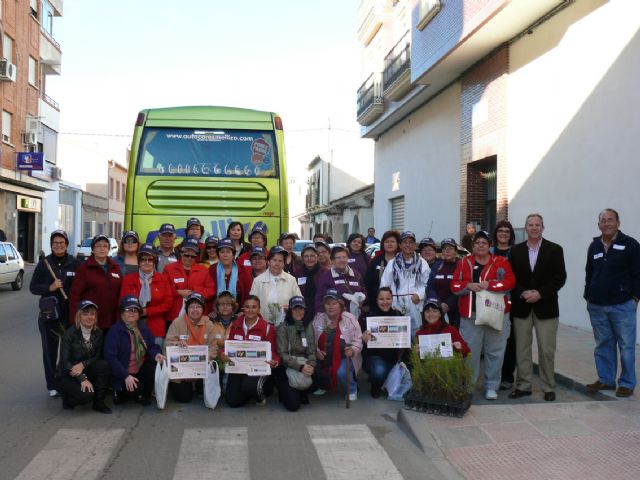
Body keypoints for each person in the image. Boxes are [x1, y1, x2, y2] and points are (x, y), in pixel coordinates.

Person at [508, 214, 566, 402]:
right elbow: (511, 278)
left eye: (537, 225)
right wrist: (523, 293)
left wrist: (540, 293)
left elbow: (559, 278)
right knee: (522, 349)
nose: (534, 228)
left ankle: (548, 386)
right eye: (530, 225)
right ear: (525, 228)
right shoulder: (515, 251)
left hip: (546, 307)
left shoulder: (555, 249)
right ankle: (523, 385)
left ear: (543, 227)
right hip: (522, 306)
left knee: (547, 350)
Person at [451, 230, 515, 400]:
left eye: (484, 242)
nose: (480, 245)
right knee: (470, 353)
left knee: (495, 352)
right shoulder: (464, 262)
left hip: (495, 314)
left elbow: (510, 282)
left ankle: (491, 386)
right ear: (473, 246)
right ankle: (468, 386)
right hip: (471, 315)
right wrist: (468, 286)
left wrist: (490, 284)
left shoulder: (501, 262)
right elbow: (455, 285)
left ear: (490, 246)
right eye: (477, 242)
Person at [584, 208, 640, 398]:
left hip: (622, 305)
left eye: (610, 220)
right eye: (603, 220)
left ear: (618, 223)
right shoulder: (594, 246)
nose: (606, 224)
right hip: (597, 305)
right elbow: (589, 273)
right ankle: (606, 379)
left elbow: (638, 275)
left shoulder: (630, 244)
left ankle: (626, 383)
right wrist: (588, 295)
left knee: (626, 346)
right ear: (598, 224)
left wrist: (634, 299)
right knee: (603, 344)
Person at [30, 229, 81, 397]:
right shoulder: (44, 264)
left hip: (68, 314)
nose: (58, 245)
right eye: (55, 243)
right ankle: (52, 384)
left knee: (69, 350)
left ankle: (66, 379)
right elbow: (33, 287)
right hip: (49, 315)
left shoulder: (75, 263)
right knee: (50, 351)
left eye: (61, 242)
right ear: (51, 245)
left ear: (67, 244)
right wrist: (49, 288)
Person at [104, 296, 164, 406]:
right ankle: (119, 391)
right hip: (122, 372)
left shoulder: (143, 328)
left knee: (152, 367)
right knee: (136, 389)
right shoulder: (115, 331)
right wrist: (125, 375)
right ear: (122, 313)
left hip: (138, 368)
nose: (132, 313)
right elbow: (110, 358)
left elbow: (152, 346)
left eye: (135, 310)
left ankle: (140, 394)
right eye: (128, 310)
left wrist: (156, 354)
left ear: (139, 313)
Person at [56, 300, 112, 413]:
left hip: (84, 368)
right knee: (86, 396)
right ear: (79, 316)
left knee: (104, 365)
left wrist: (83, 364)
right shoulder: (69, 334)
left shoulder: (98, 333)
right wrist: (82, 378)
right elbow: (64, 361)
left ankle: (99, 402)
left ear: (95, 317)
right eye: (85, 314)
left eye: (92, 314)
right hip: (67, 373)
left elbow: (97, 356)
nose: (89, 317)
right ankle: (68, 399)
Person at [223, 296, 279, 407]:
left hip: (258, 369)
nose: (250, 310)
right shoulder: (235, 325)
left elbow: (273, 351)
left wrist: (275, 361)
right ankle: (248, 392)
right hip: (239, 368)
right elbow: (229, 347)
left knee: (249, 386)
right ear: (243, 308)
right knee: (233, 402)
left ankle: (259, 394)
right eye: (247, 307)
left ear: (259, 309)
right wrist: (223, 354)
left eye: (254, 307)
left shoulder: (268, 328)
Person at [275, 296, 327, 411]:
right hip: (288, 366)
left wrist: (310, 365)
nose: (298, 312)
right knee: (293, 406)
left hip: (305, 363)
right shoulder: (283, 327)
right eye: (295, 309)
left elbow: (312, 350)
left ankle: (303, 389)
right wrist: (300, 367)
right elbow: (282, 355)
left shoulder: (308, 325)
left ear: (305, 310)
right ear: (290, 310)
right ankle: (286, 389)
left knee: (324, 378)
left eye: (301, 308)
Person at [164, 292, 218, 403]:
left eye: (198, 306)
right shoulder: (177, 322)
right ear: (187, 308)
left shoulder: (209, 325)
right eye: (191, 306)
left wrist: (199, 367)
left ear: (203, 309)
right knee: (184, 398)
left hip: (201, 368)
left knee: (203, 392)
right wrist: (177, 344)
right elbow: (168, 344)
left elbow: (213, 348)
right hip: (181, 369)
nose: (195, 310)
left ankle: (198, 386)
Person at [119, 243, 173, 348]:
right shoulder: (128, 279)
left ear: (154, 262)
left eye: (150, 259)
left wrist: (147, 311)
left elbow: (168, 304)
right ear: (139, 262)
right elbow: (122, 303)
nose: (146, 262)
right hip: (131, 327)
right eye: (143, 259)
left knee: (155, 360)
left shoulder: (163, 279)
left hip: (155, 327)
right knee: (132, 361)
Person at [312, 289, 363, 400]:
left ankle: (352, 389)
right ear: (324, 306)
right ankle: (324, 385)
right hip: (324, 358)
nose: (331, 307)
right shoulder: (318, 319)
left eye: (334, 303)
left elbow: (358, 340)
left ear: (340, 305)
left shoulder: (349, 318)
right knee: (312, 366)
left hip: (345, 357)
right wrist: (317, 351)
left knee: (341, 371)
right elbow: (313, 340)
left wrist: (353, 350)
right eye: (328, 304)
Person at [69, 234, 123, 336]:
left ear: (108, 249)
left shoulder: (115, 267)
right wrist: (75, 321)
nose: (102, 249)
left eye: (105, 246)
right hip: (91, 322)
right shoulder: (84, 269)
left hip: (113, 322)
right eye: (98, 246)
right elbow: (75, 296)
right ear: (93, 250)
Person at [380, 231, 430, 335]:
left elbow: (427, 284)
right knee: (398, 337)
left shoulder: (422, 263)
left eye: (411, 242)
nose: (408, 245)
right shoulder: (393, 263)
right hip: (396, 306)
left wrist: (420, 295)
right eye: (405, 242)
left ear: (414, 245)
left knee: (416, 336)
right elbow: (384, 285)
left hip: (415, 305)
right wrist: (387, 302)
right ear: (400, 245)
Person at [361, 287, 408, 397]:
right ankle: (376, 384)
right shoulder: (370, 318)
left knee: (390, 370)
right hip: (374, 357)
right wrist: (364, 339)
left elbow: (404, 340)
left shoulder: (399, 316)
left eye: (388, 299)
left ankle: (384, 379)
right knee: (379, 371)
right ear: (377, 300)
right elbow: (362, 343)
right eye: (381, 299)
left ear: (392, 300)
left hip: (394, 358)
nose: (385, 302)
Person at [491, 221, 517, 390]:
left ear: (511, 234)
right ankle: (493, 375)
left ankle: (507, 376)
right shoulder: (489, 252)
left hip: (512, 301)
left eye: (507, 231)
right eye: (500, 230)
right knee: (493, 340)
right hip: (492, 301)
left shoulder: (516, 252)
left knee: (510, 340)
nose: (503, 233)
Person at [165, 238, 215, 319]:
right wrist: (178, 292)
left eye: (192, 256)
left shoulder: (204, 270)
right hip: (174, 316)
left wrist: (194, 292)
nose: (189, 258)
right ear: (181, 253)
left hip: (198, 316)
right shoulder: (169, 269)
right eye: (186, 255)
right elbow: (163, 290)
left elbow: (211, 291)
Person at [250, 246, 302, 324]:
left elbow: (299, 303)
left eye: (280, 261)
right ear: (268, 262)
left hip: (285, 325)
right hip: (263, 324)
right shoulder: (258, 281)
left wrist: (290, 308)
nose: (277, 263)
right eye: (274, 260)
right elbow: (252, 303)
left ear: (284, 263)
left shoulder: (291, 280)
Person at [315, 245, 366, 314]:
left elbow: (363, 290)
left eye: (344, 257)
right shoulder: (326, 277)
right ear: (332, 260)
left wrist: (362, 301)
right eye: (338, 258)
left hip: (356, 317)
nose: (342, 260)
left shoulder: (356, 274)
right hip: (334, 318)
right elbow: (319, 299)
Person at [426, 238, 460, 328]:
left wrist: (448, 304)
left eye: (450, 248)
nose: (447, 251)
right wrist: (438, 303)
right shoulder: (437, 265)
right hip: (437, 308)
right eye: (444, 249)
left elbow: (462, 288)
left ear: (456, 251)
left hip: (455, 310)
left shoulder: (461, 265)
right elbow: (430, 287)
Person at [364, 230, 400, 307]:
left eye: (392, 241)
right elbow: (367, 283)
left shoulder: (402, 262)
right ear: (383, 244)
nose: (389, 244)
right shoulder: (376, 261)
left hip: (398, 303)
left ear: (398, 244)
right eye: (387, 241)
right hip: (377, 303)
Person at [209, 238, 244, 308]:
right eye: (222, 252)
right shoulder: (212, 270)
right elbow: (209, 293)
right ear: (218, 255)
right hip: (216, 311)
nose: (225, 255)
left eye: (228, 252)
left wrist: (243, 311)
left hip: (238, 312)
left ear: (233, 255)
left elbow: (247, 294)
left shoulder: (243, 270)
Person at [295, 243, 325, 324]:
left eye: (312, 256)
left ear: (317, 257)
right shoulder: (297, 273)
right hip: (302, 313)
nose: (309, 258)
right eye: (306, 256)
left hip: (321, 312)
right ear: (302, 258)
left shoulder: (325, 273)